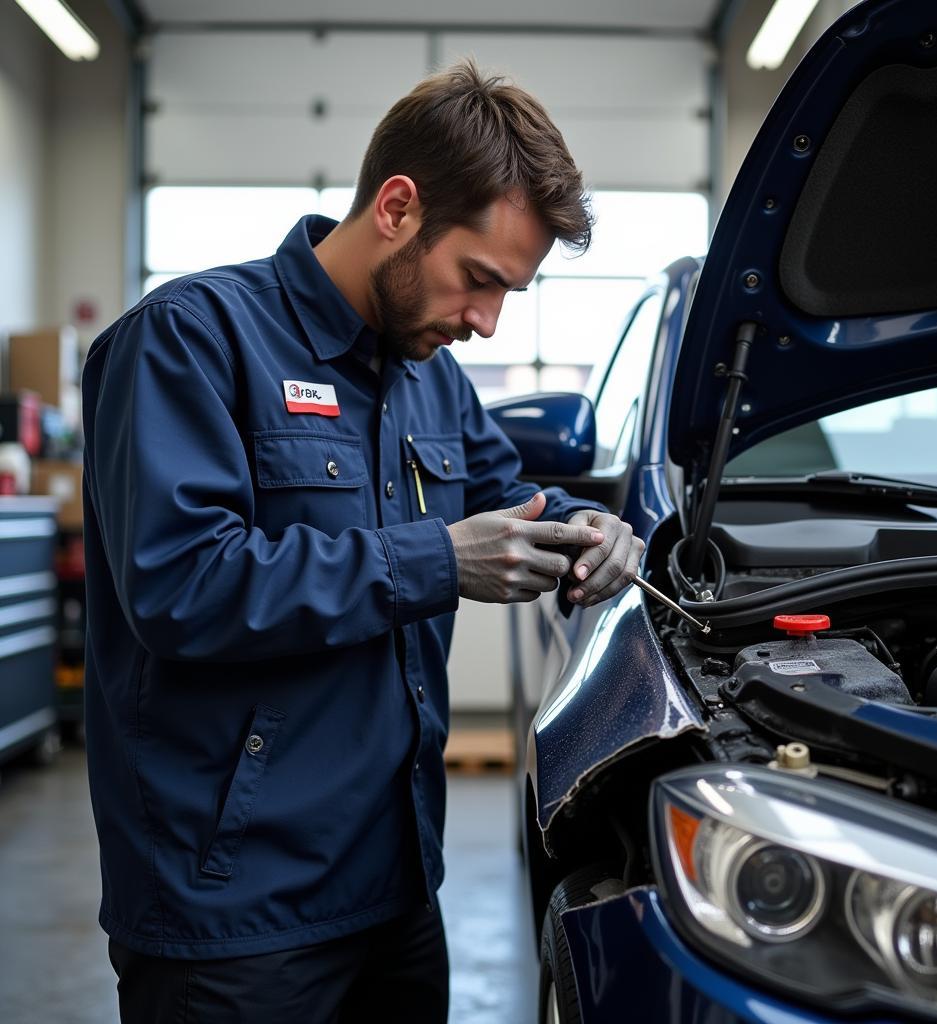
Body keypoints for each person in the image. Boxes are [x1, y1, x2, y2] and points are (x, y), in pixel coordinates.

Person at [82, 60, 644, 1022]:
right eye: (478, 280)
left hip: (395, 888)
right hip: (236, 915)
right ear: (396, 207)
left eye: (508, 294)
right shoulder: (190, 339)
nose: (484, 320)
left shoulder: (431, 377)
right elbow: (181, 585)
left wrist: (587, 527)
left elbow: (510, 498)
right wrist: (436, 561)